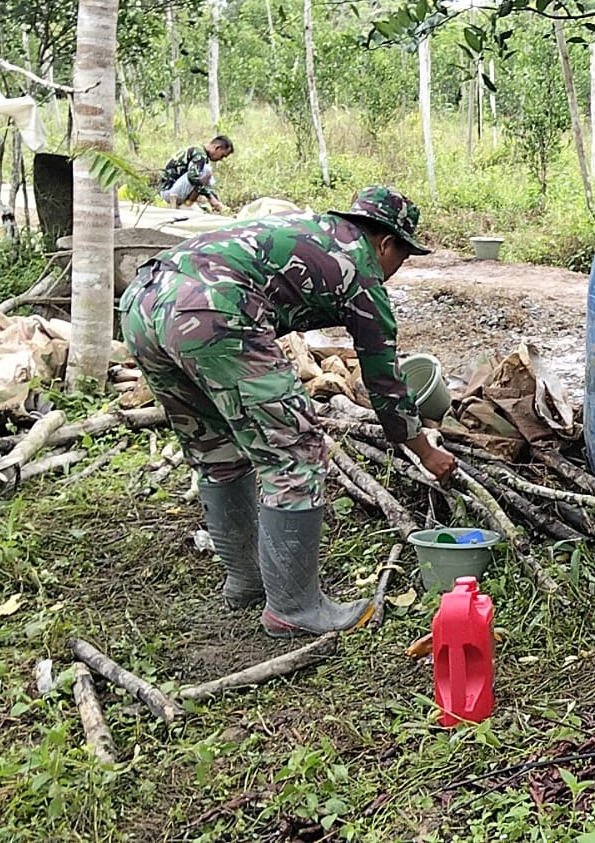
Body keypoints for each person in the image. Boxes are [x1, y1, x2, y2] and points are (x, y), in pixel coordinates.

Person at [119, 185, 456, 638]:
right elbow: (385, 384)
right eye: (403, 257)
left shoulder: (308, 229)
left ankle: (247, 581)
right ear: (386, 242)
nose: (396, 269)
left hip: (143, 301)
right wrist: (426, 452)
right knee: (296, 452)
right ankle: (294, 608)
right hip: (212, 311)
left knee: (217, 449)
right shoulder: (361, 267)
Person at [158, 135, 234, 211]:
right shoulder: (200, 155)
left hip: (172, 188)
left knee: (206, 173)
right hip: (169, 192)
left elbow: (206, 184)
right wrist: (211, 198)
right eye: (222, 155)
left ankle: (189, 203)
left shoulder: (198, 150)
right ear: (217, 148)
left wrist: (216, 200)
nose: (220, 159)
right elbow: (192, 177)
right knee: (205, 171)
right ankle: (188, 204)